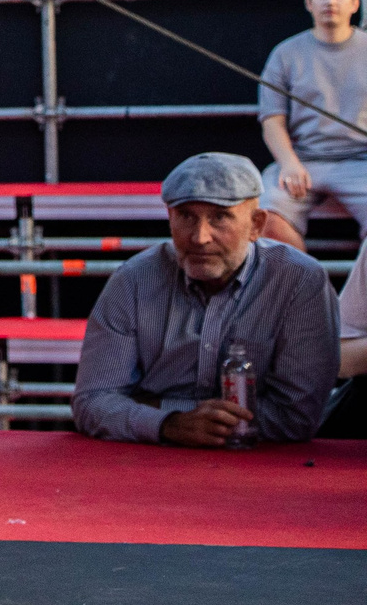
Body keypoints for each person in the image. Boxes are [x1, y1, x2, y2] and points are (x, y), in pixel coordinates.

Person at [73, 154, 337, 445]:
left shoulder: (299, 281)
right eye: (186, 216)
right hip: (154, 463)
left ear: (256, 225)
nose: (200, 237)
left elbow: (297, 418)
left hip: (258, 469)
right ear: (169, 219)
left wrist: (157, 410)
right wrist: (172, 424)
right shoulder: (134, 279)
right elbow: (93, 402)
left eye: (220, 217)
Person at [255, 0, 367, 243]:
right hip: (304, 161)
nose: (330, 1)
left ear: (355, 3)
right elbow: (272, 122)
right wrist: (289, 162)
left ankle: (357, 288)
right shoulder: (285, 53)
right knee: (262, 218)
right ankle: (312, 285)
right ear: (309, 3)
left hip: (362, 162)